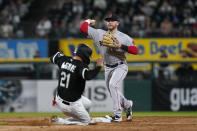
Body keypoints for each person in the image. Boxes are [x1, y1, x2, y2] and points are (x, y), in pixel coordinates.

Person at [79, 14, 138, 122]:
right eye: (108, 20)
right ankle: (127, 105)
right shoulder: (99, 33)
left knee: (112, 85)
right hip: (107, 67)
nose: (110, 22)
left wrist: (121, 46)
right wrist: (88, 21)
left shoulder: (124, 37)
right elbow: (82, 28)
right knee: (112, 90)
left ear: (117, 23)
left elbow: (135, 51)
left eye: (112, 20)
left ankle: (117, 115)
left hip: (120, 65)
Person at [50, 44, 103, 125]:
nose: (88, 58)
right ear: (84, 55)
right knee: (87, 122)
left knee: (88, 104)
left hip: (59, 99)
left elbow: (52, 58)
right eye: (88, 56)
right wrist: (98, 67)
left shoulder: (64, 59)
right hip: (72, 105)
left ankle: (74, 118)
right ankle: (61, 121)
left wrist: (60, 54)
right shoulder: (81, 65)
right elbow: (88, 76)